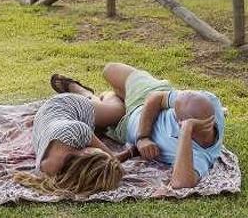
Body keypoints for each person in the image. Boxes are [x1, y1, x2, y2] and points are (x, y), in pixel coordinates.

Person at [53, 63, 226, 189]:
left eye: (176, 119)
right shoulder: (208, 101)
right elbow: (156, 98)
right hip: (146, 95)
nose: (172, 116)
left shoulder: (198, 156)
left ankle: (85, 93)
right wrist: (143, 137)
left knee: (96, 111)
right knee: (109, 70)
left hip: (126, 123)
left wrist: (186, 130)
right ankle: (114, 98)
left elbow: (181, 183)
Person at [13, 89, 133, 197]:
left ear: (86, 153)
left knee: (115, 114)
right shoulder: (51, 169)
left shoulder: (77, 131)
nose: (100, 150)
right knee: (119, 111)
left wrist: (130, 152)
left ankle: (84, 93)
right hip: (55, 116)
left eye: (98, 151)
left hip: (63, 106)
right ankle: (104, 94)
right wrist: (131, 152)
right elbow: (114, 159)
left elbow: (113, 158)